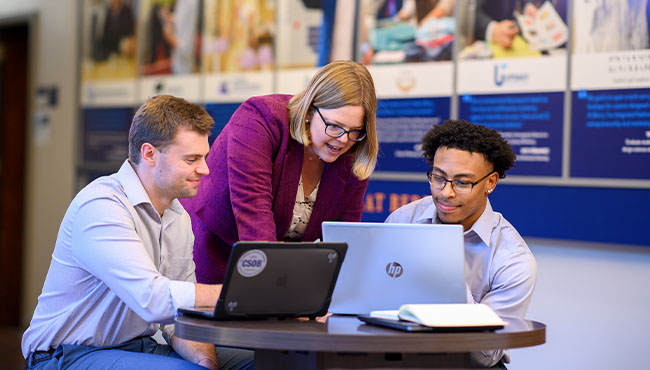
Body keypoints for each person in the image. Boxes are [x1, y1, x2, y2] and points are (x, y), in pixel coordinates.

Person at [22, 95, 254, 370]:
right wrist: (244, 294)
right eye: (192, 159)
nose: (204, 169)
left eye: (204, 157)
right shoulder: (102, 206)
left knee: (261, 364)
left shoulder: (178, 217)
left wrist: (207, 361)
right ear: (149, 154)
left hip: (140, 346)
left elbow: (181, 318)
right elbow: (153, 299)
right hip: (67, 355)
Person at [181, 60, 378, 284]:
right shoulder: (260, 118)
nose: (343, 140)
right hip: (213, 249)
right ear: (309, 111)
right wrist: (276, 294)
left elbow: (344, 238)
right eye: (334, 126)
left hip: (280, 269)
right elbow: (253, 213)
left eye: (355, 131)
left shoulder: (353, 153)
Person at [385, 119, 537, 367]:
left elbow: (485, 355)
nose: (446, 193)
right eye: (439, 178)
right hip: (399, 355)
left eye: (462, 183)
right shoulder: (404, 220)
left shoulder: (513, 260)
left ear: (491, 182)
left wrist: (447, 275)